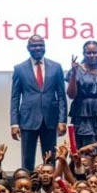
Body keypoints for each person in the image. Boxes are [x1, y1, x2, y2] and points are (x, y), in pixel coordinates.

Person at [10, 35, 68, 171]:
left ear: (45, 47)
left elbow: (61, 96)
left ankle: (50, 190)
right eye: (34, 45)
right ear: (28, 48)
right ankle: (29, 189)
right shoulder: (19, 68)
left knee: (50, 160)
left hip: (50, 120)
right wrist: (14, 123)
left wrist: (62, 120)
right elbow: (15, 98)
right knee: (27, 161)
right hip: (28, 120)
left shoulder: (56, 67)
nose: (38, 48)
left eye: (41, 45)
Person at [66, 41, 97, 154]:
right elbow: (71, 95)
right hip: (83, 114)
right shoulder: (76, 70)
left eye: (95, 52)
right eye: (89, 53)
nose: (92, 55)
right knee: (86, 149)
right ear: (84, 54)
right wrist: (73, 73)